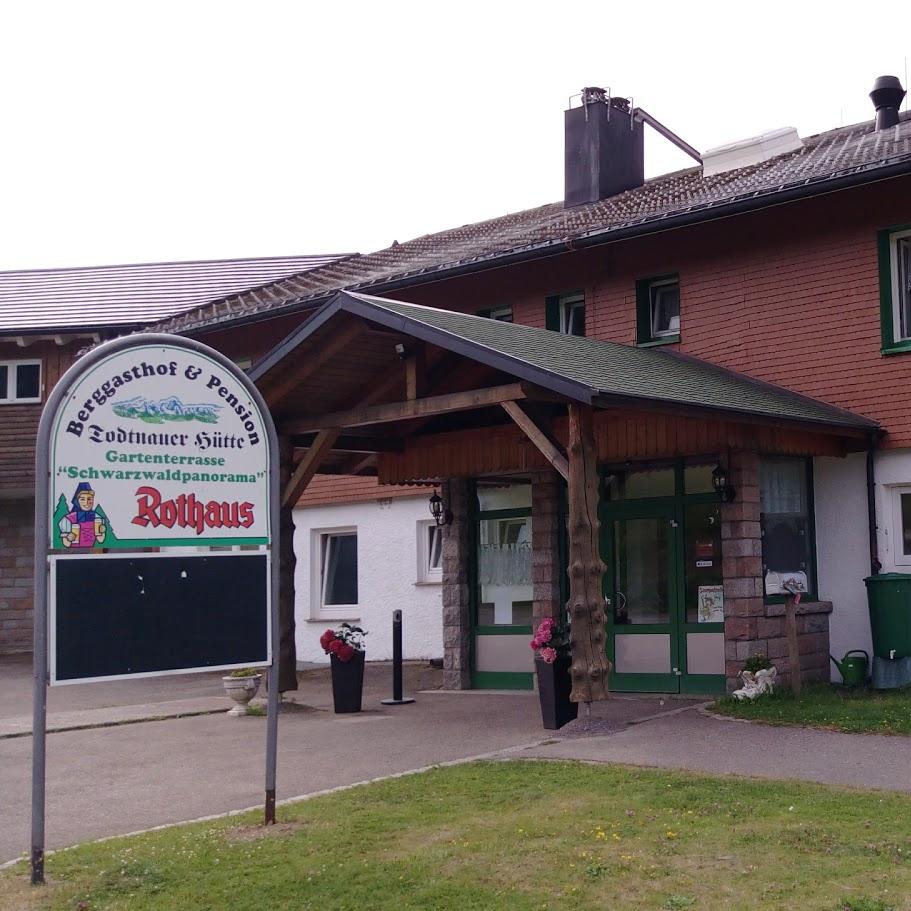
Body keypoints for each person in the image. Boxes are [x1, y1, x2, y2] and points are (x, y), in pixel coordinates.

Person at [59, 482, 107, 548]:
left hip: (91, 553)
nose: (86, 502)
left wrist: (103, 531)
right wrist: (69, 538)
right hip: (72, 553)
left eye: (89, 499)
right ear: (77, 501)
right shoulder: (68, 519)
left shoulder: (96, 517)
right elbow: (66, 544)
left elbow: (100, 540)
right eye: (82, 499)